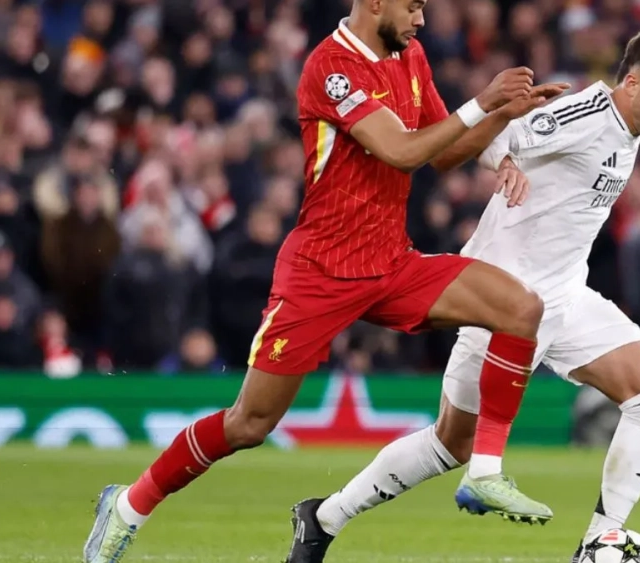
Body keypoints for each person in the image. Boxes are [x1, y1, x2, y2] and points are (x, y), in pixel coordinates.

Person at [81, 0, 570, 561]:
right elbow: (402, 151)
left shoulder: (410, 56)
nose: (421, 20)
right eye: (413, 7)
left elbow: (443, 151)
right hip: (321, 272)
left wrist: (501, 117)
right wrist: (484, 100)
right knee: (249, 423)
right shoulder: (330, 67)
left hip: (391, 262)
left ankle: (485, 469)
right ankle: (127, 505)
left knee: (520, 309)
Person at [289, 25, 640, 563]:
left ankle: (602, 540)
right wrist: (505, 160)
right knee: (451, 444)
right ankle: (324, 517)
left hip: (567, 295)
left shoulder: (632, 127)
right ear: (630, 83)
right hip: (503, 299)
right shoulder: (584, 114)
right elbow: (495, 137)